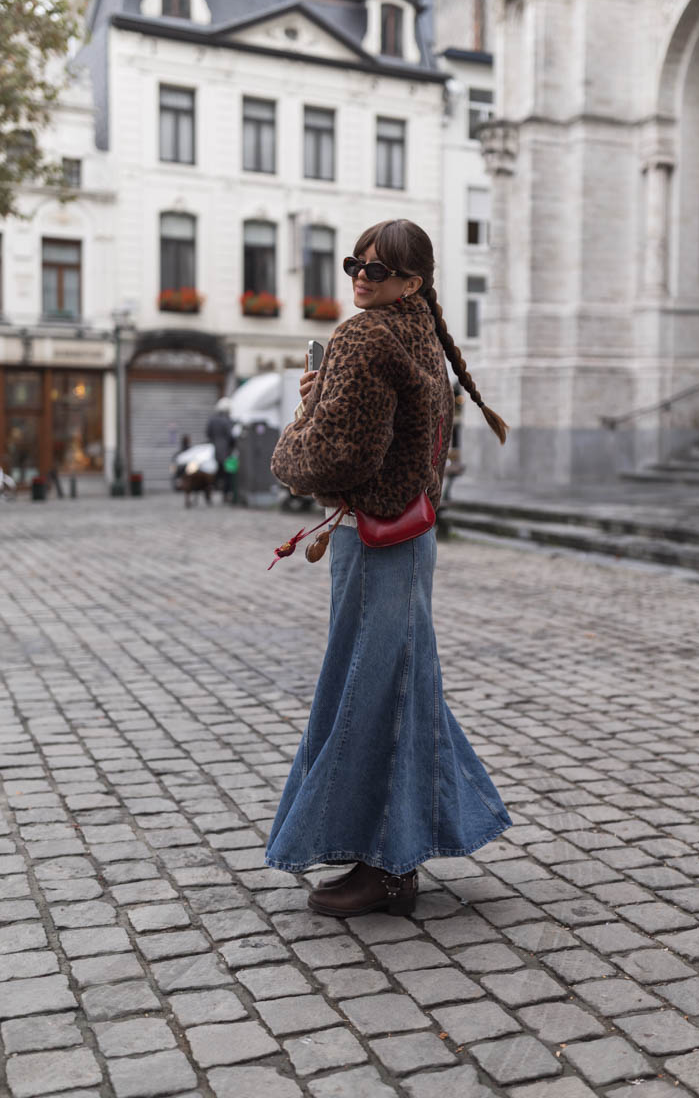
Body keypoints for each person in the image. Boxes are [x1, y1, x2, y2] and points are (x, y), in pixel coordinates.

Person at [265, 219, 511, 918]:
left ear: (414, 280)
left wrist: (292, 436)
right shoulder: (419, 336)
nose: (361, 277)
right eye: (355, 264)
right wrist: (324, 399)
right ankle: (402, 848)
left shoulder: (366, 336)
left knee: (373, 695)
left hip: (375, 542)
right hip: (410, 536)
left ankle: (390, 866)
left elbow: (338, 457)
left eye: (379, 268)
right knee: (402, 687)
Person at [205, 398, 235, 502]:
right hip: (227, 453)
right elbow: (232, 436)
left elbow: (208, 433)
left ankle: (209, 492)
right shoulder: (227, 420)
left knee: (214, 474)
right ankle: (226, 495)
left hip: (214, 452)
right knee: (228, 474)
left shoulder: (212, 420)